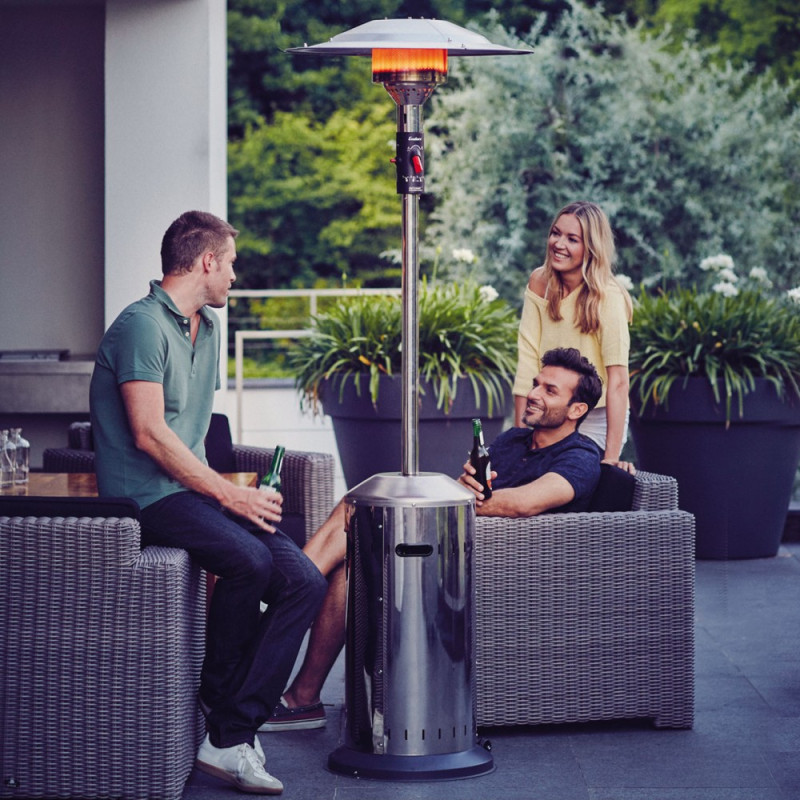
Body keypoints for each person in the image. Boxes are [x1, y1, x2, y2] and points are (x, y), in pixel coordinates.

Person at [89, 210, 327, 795]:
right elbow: (150, 434)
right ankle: (227, 722)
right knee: (249, 561)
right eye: (232, 265)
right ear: (207, 261)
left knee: (304, 581)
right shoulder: (141, 326)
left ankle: (230, 728)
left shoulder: (209, 328)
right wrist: (231, 495)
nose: (235, 277)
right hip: (143, 500)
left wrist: (232, 494)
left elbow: (191, 434)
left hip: (193, 494)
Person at [259, 347, 605, 731]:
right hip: (453, 545)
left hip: (497, 572)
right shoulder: (514, 440)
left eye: (550, 391)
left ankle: (285, 595)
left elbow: (523, 504)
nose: (535, 393)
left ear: (577, 409)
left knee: (359, 510)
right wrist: (467, 487)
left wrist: (465, 498)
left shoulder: (580, 456)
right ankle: (303, 698)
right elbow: (467, 488)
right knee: (351, 542)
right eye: (537, 383)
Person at [513, 200, 633, 471]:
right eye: (556, 233)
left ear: (591, 247)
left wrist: (611, 458)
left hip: (596, 416)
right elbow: (527, 360)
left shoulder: (608, 296)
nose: (559, 244)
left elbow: (618, 382)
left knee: (566, 476)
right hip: (550, 408)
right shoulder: (539, 282)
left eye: (572, 239)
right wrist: (519, 435)